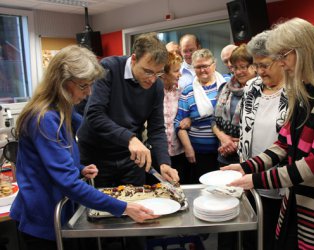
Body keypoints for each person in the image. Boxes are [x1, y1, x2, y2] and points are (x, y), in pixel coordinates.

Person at [223, 18, 314, 249]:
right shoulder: (301, 92)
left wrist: (254, 180)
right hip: (296, 197)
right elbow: (283, 144)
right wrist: (247, 166)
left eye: (283, 56)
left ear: (303, 52)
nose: (282, 64)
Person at [10, 45, 158, 250]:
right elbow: (67, 183)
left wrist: (79, 169)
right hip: (42, 218)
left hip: (56, 213)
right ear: (62, 82)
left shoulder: (63, 113)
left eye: (90, 85)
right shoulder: (44, 119)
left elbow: (56, 162)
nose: (88, 93)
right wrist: (124, 207)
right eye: (83, 86)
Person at [77, 32, 179, 189]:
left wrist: (164, 163)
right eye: (147, 71)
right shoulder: (108, 68)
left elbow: (157, 129)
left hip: (130, 158)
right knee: (100, 208)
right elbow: (94, 115)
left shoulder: (156, 86)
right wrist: (130, 139)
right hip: (96, 156)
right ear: (133, 59)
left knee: (135, 205)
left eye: (158, 73)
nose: (152, 79)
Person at [236, 31, 288, 250]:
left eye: (264, 65)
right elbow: (243, 128)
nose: (259, 71)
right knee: (250, 236)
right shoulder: (252, 87)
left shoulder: (296, 91)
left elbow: (288, 143)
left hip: (280, 178)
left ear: (282, 60)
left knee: (273, 239)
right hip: (250, 173)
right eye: (256, 65)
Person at [212, 44, 256, 250]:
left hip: (248, 161)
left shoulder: (260, 91)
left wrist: (237, 144)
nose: (239, 71)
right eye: (235, 66)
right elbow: (214, 122)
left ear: (254, 66)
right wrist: (223, 139)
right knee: (225, 211)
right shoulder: (224, 88)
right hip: (225, 157)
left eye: (244, 66)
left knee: (248, 214)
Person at [174, 48, 226, 184]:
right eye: (198, 67)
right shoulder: (187, 91)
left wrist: (192, 119)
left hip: (227, 150)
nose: (202, 70)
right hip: (200, 155)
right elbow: (179, 123)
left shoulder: (227, 84)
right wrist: (188, 148)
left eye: (205, 66)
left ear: (214, 65)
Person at [160, 52, 190, 184]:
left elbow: (188, 113)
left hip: (179, 152)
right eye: (176, 70)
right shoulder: (150, 94)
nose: (180, 74)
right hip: (159, 154)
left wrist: (189, 119)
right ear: (164, 73)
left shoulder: (181, 92)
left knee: (179, 187)